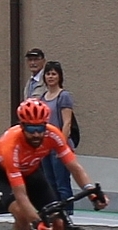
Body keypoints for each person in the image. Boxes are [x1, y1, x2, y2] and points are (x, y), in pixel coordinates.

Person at [0, 99, 107, 230]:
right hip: (6, 176)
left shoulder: (53, 133)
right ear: (22, 126)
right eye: (30, 128)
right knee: (21, 212)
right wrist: (37, 222)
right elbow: (21, 195)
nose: (36, 134)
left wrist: (90, 190)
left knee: (59, 222)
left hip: (33, 172)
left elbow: (74, 166)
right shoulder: (10, 146)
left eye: (40, 128)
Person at [40, 61, 76, 213]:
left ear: (59, 76)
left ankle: (67, 212)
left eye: (54, 73)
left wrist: (61, 144)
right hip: (45, 146)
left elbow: (67, 122)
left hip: (59, 146)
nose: (50, 77)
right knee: (50, 182)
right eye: (48, 73)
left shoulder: (64, 96)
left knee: (62, 182)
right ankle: (55, 211)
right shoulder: (42, 97)